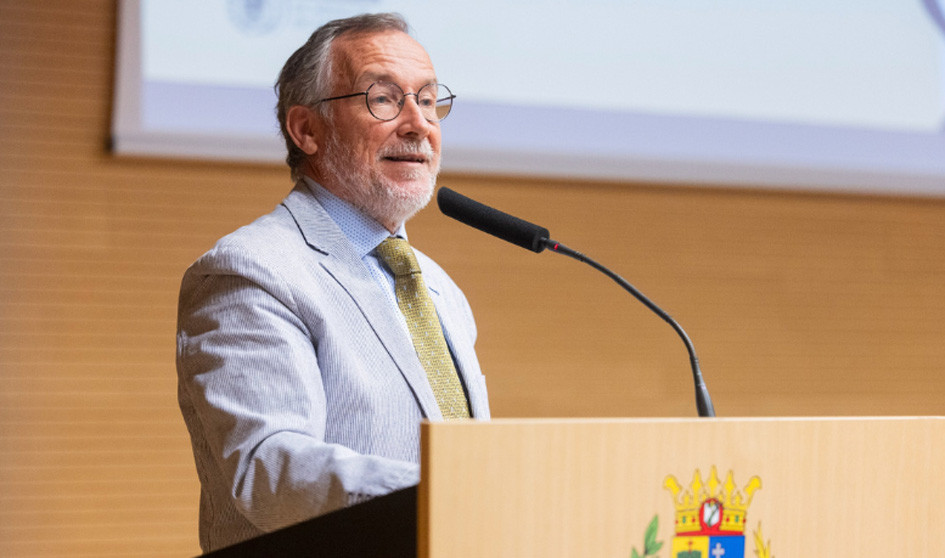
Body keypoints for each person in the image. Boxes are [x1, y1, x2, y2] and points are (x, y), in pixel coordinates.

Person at [175, 13, 490, 553]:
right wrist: (453, 492)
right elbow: (267, 466)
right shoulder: (251, 270)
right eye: (385, 99)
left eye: (429, 99)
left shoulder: (436, 287)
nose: (419, 124)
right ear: (307, 130)